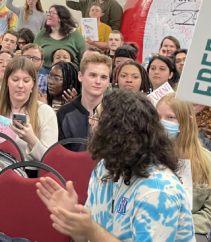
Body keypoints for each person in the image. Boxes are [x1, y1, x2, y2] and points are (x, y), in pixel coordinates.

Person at [37, 89, 194, 242]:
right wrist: (75, 219)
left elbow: (94, 233)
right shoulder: (104, 169)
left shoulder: (159, 191)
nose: (91, 122)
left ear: (117, 130)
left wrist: (91, 229)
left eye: (96, 117)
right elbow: (86, 239)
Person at [0, 57, 58, 161]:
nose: (20, 85)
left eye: (26, 80)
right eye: (15, 80)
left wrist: (32, 140)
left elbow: (51, 160)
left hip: (29, 173)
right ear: (7, 81)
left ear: (33, 84)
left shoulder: (45, 112)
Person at [157, 93, 211, 241]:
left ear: (188, 121)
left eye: (170, 118)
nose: (162, 123)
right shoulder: (145, 156)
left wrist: (180, 224)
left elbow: (209, 212)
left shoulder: (207, 161)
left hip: (192, 232)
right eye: (157, 117)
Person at [58, 54, 111, 150]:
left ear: (108, 82)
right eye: (93, 75)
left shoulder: (114, 112)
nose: (98, 81)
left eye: (103, 77)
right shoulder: (64, 112)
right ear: (80, 76)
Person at [34, 5, 87, 75]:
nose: (48, 15)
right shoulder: (42, 33)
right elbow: (33, 53)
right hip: (44, 73)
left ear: (61, 18)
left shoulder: (75, 35)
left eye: (52, 13)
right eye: (48, 12)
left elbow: (84, 58)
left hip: (69, 73)